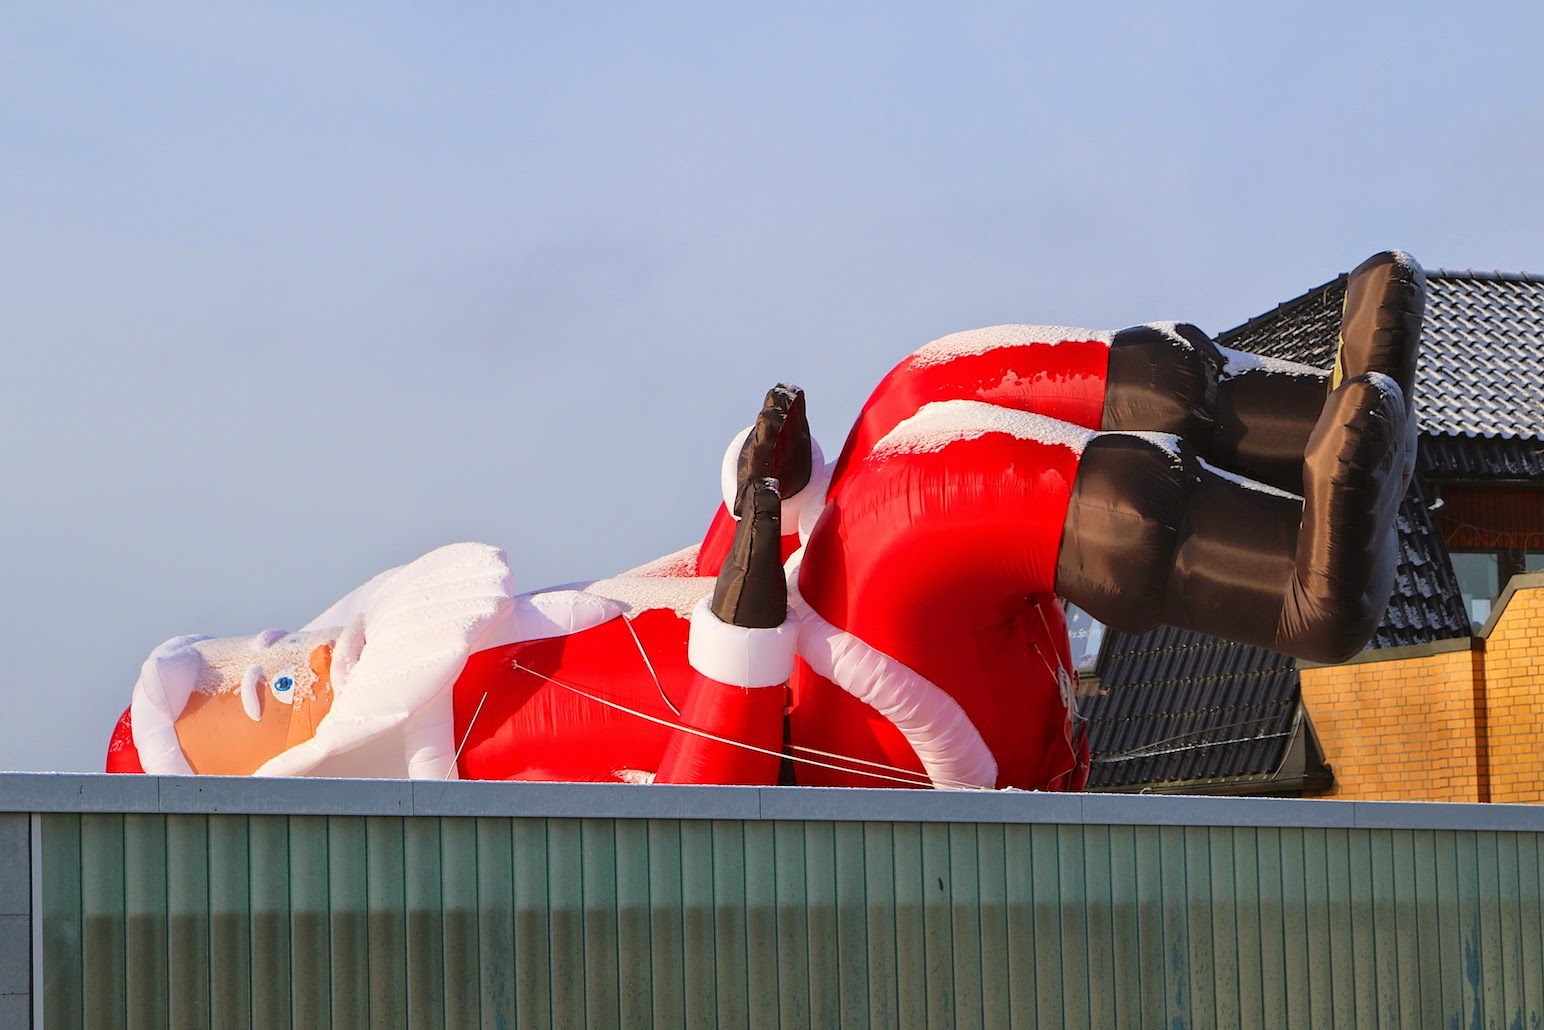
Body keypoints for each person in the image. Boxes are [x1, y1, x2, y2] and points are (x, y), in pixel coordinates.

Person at [108, 252, 1424, 791]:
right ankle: (1305, 588)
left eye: (273, 649)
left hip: (853, 660)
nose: (310, 655)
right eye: (274, 688)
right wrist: (750, 596)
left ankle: (1302, 420)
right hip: (889, 747)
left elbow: (692, 582)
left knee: (925, 385)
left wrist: (766, 484)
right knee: (913, 504)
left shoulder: (489, 649)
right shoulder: (479, 780)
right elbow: (695, 822)